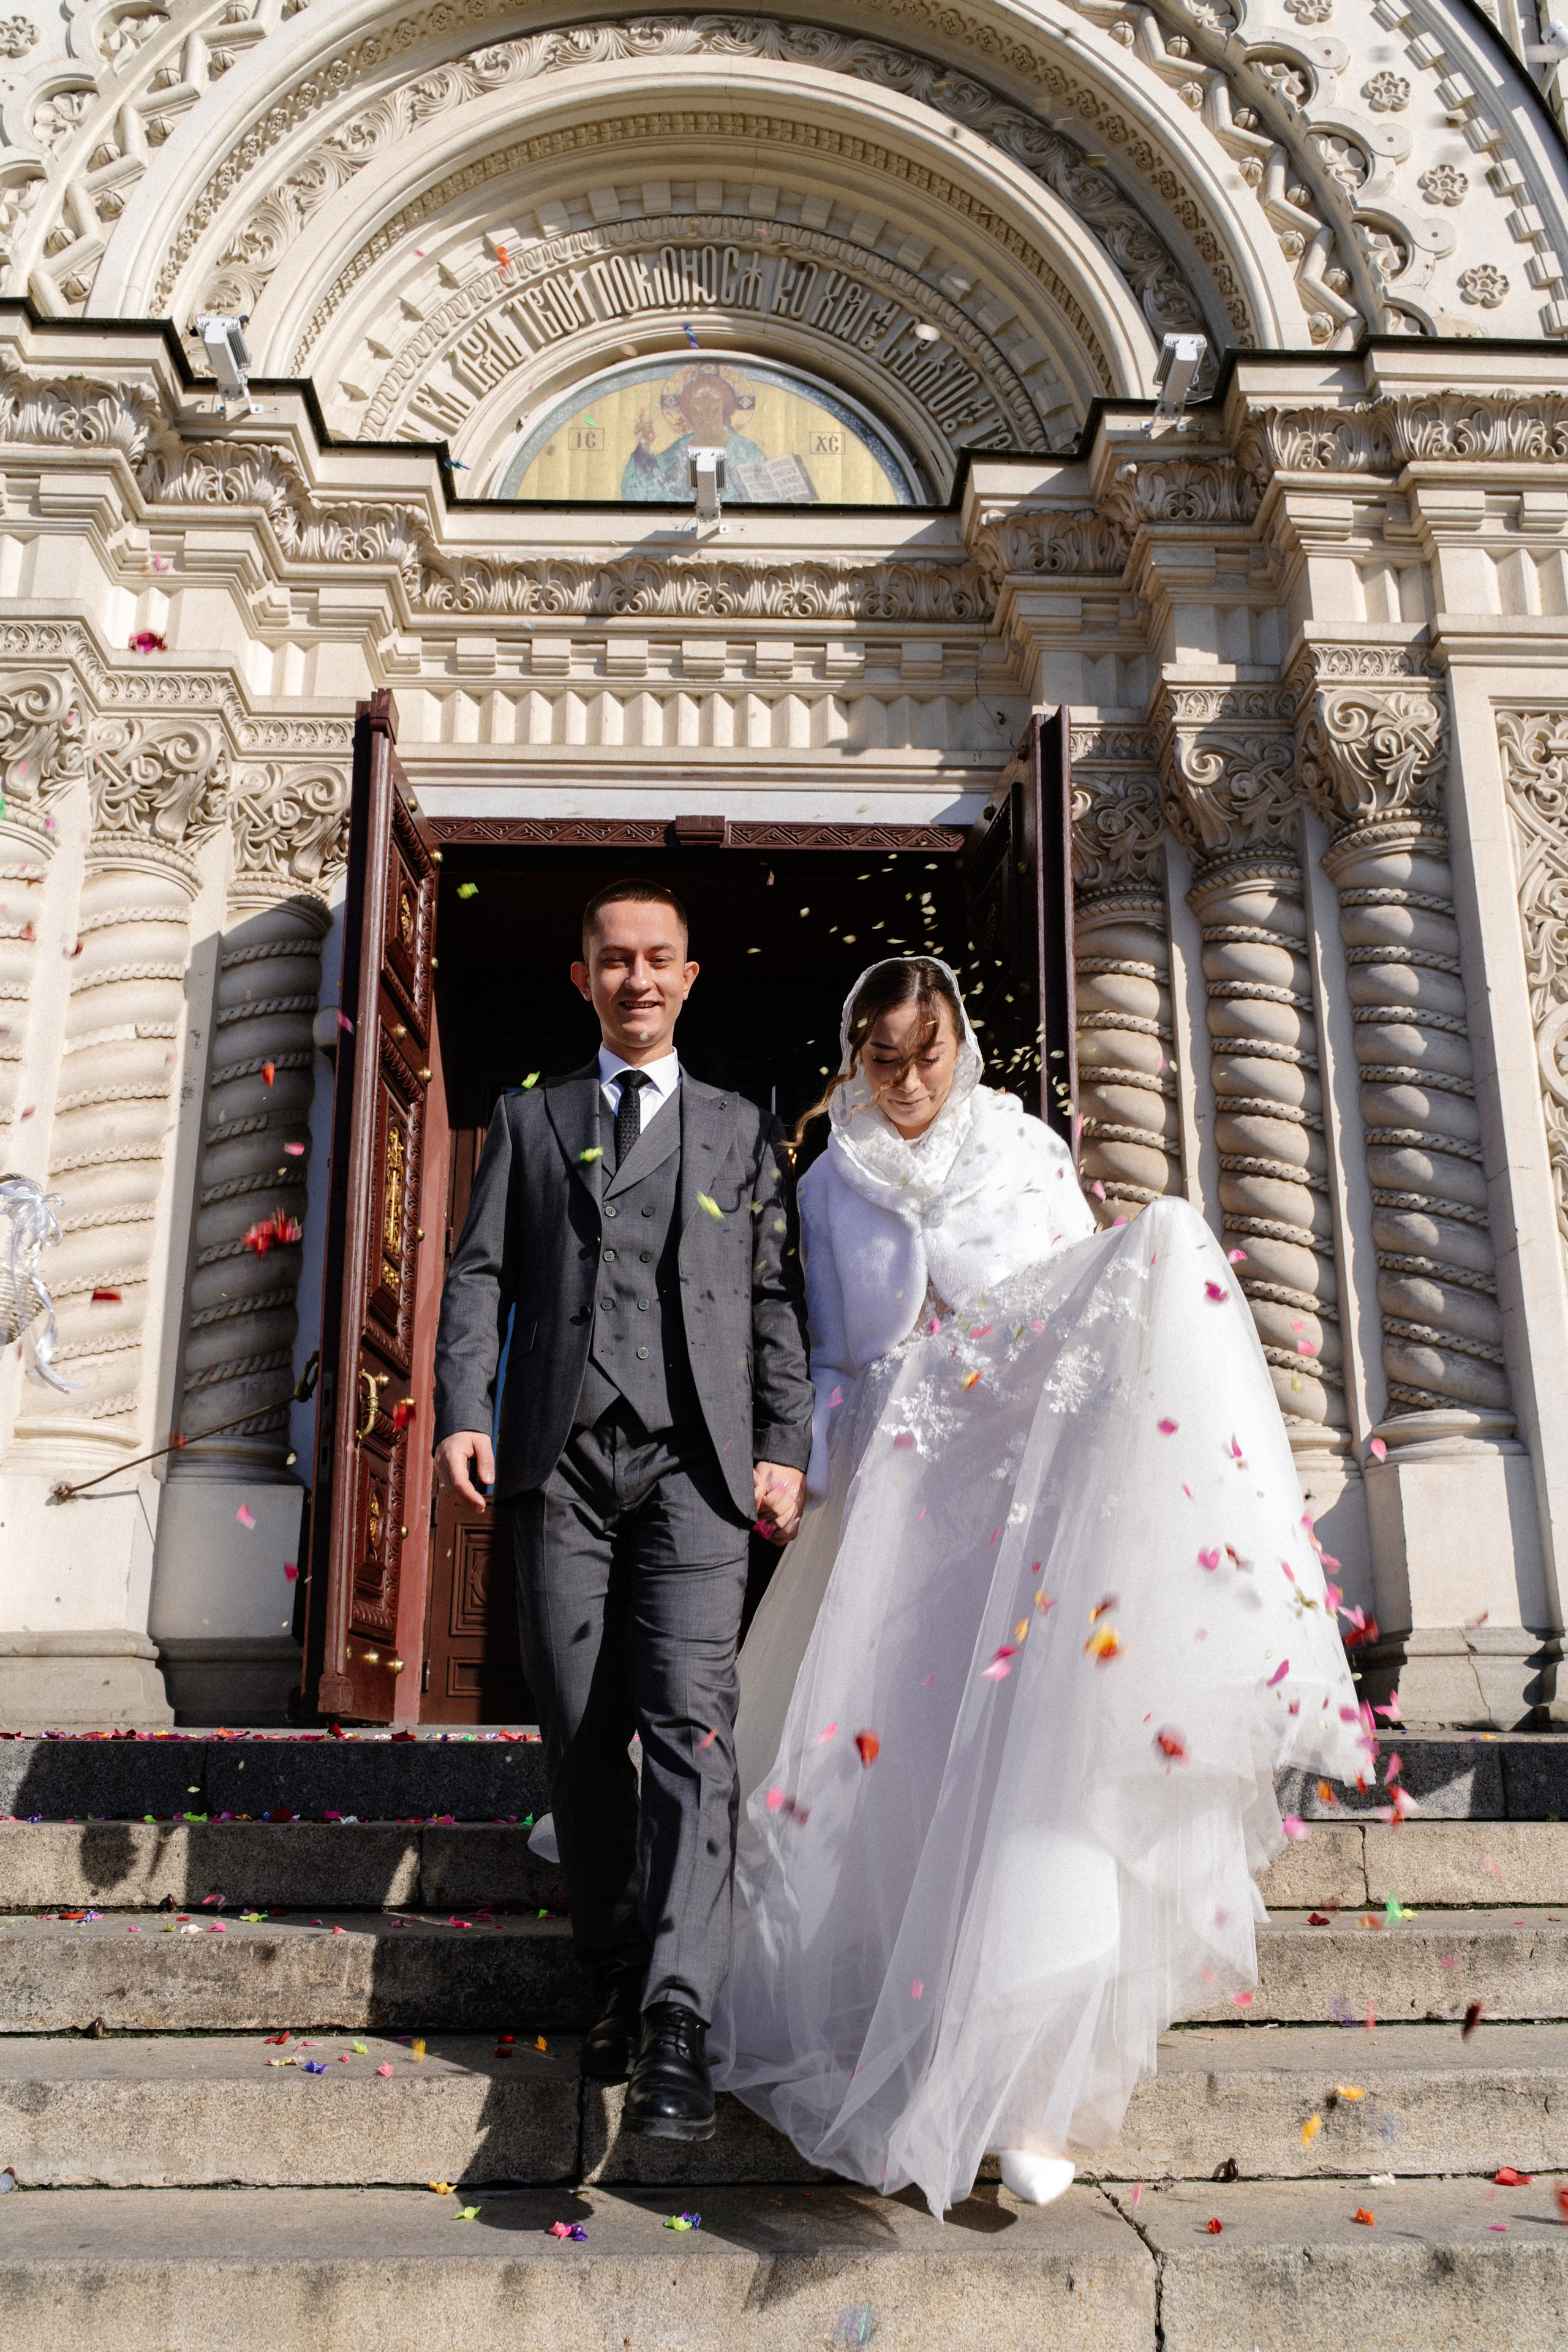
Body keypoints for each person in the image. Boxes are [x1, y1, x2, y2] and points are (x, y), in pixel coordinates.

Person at [710, 956, 1365, 2217]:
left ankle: (1027, 2093)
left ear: (961, 1046)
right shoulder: (818, 1187)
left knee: (1032, 1778)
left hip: (1021, 1517)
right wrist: (846, 1425)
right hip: (892, 1523)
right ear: (853, 1057)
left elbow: (1092, 1314)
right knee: (890, 1786)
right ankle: (905, 2049)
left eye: (927, 1057)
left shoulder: (1024, 1155)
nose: (906, 1085)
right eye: (882, 1062)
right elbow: (816, 1353)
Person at [432, 880, 813, 2143]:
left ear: (688, 978)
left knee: (692, 1729)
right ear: (582, 977)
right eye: (614, 961)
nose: (636, 979)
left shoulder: (741, 1130)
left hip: (695, 1472)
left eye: (659, 959)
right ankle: (607, 1973)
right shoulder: (530, 1121)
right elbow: (480, 1272)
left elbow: (769, 1302)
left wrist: (781, 1445)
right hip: (560, 1466)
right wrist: (464, 1410)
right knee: (584, 1729)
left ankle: (676, 2021)